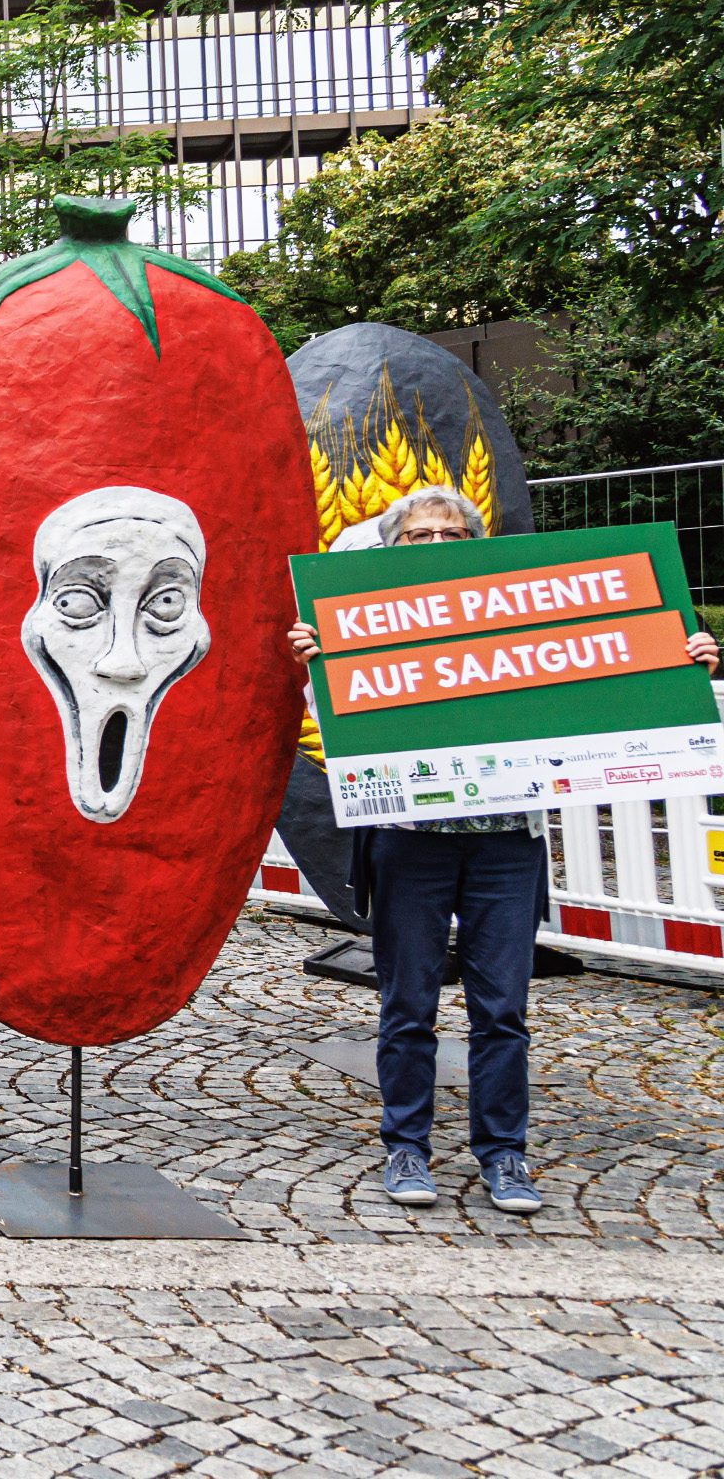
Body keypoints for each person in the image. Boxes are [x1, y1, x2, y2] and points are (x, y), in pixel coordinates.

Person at [286, 485, 720, 1215]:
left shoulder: (520, 623)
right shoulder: (358, 628)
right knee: (408, 1005)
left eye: (452, 536)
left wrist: (684, 666)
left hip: (504, 849)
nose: (434, 548)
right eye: (418, 537)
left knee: (502, 1012)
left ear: (478, 549)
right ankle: (407, 1149)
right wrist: (317, 663)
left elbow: (604, 674)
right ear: (391, 551)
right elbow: (331, 721)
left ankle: (504, 1156)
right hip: (407, 845)